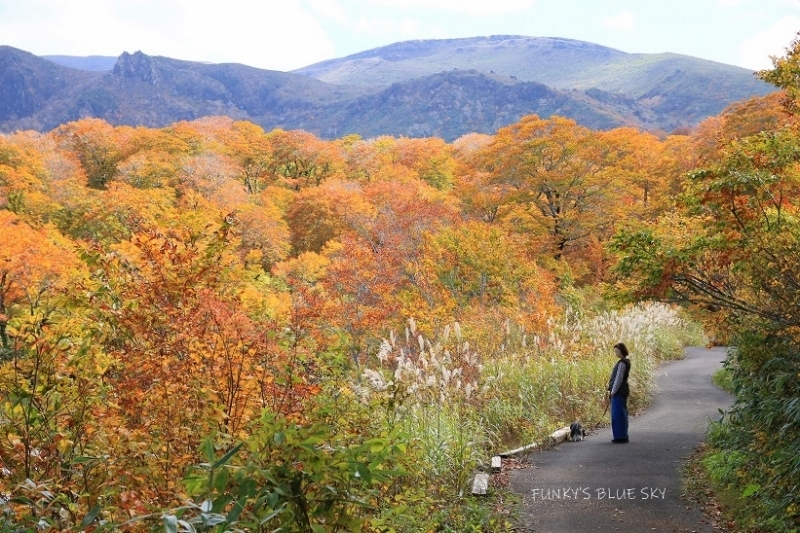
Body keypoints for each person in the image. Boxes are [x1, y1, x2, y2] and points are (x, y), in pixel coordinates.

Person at [607, 342, 631, 443]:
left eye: (617, 351)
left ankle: (620, 436)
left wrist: (613, 391)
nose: (616, 353)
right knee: (621, 413)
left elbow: (619, 378)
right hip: (622, 391)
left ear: (622, 351)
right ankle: (623, 435)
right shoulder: (625, 362)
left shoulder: (622, 363)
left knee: (618, 415)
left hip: (619, 391)